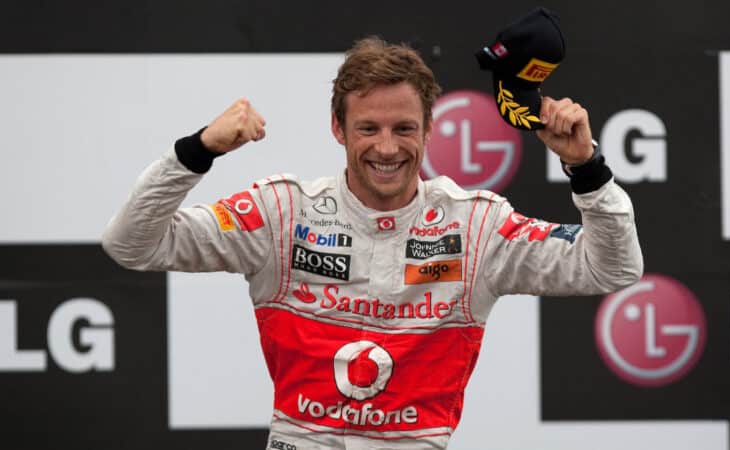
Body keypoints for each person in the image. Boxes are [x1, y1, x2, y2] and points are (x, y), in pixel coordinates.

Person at [103, 36, 642, 450]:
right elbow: (132, 244)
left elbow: (610, 270)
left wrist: (585, 167)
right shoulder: (282, 213)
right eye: (368, 129)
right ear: (338, 129)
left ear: (429, 130)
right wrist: (196, 151)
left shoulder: (473, 226)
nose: (387, 148)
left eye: (404, 129)